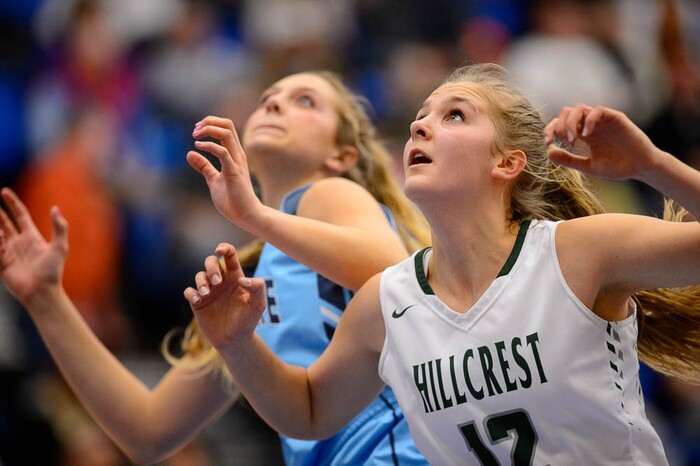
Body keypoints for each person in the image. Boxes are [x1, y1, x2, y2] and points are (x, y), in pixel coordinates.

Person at [183, 63, 700, 465]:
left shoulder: (577, 251)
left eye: (453, 115)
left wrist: (653, 165)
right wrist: (237, 344)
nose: (419, 126)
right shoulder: (386, 302)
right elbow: (309, 412)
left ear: (507, 162)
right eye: (420, 117)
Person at [0, 71, 431, 465]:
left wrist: (256, 216)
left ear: (341, 155)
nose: (275, 104)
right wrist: (44, 297)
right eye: (267, 98)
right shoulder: (250, 283)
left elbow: (395, 273)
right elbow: (148, 431)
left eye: (305, 102)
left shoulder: (327, 193)